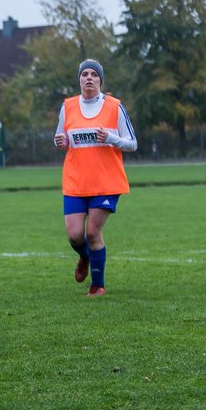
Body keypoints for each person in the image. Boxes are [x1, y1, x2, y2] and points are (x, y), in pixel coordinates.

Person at [53, 59, 137, 296]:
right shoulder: (67, 106)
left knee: (92, 233)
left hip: (106, 182)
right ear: (79, 79)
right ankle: (84, 257)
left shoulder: (114, 106)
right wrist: (60, 141)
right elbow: (62, 137)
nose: (89, 78)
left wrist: (111, 138)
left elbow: (132, 144)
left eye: (94, 75)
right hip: (75, 181)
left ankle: (97, 286)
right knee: (74, 235)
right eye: (84, 74)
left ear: (100, 80)